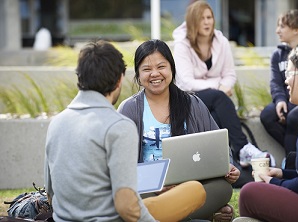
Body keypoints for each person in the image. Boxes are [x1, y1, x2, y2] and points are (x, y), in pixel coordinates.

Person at [44, 40, 206, 222]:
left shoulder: (56, 123)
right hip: (115, 217)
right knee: (195, 190)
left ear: (79, 77)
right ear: (120, 79)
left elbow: (50, 192)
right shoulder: (118, 126)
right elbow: (126, 206)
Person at [118, 39, 240, 221]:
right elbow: (121, 167)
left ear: (172, 68)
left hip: (189, 186)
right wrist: (154, 186)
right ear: (137, 74)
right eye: (146, 69)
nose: (155, 74)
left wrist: (228, 166)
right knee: (133, 197)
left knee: (222, 188)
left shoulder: (192, 103)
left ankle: (162, 216)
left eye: (161, 66)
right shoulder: (129, 109)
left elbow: (218, 148)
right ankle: (198, 214)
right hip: (149, 189)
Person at [172, 0, 274, 187]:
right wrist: (218, 86)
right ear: (192, 21)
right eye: (201, 18)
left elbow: (230, 75)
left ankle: (225, 167)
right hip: (189, 99)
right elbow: (185, 82)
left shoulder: (222, 42)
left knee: (215, 115)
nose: (207, 22)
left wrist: (221, 85)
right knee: (219, 97)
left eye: (209, 17)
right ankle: (243, 148)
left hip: (214, 103)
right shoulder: (182, 45)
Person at [238, 42, 298, 222]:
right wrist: (283, 174)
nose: (285, 80)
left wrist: (273, 182)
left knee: (250, 192)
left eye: (289, 73)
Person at [260, 10, 298, 167]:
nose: (277, 30)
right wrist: (279, 100)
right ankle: (297, 155)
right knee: (267, 115)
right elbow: (276, 82)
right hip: (287, 99)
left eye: (282, 26)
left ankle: (291, 163)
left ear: (296, 30)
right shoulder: (277, 55)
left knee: (293, 117)